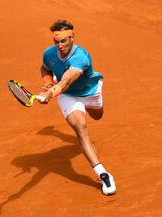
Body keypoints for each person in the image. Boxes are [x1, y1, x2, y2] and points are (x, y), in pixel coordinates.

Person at [37, 19, 116, 195]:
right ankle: (103, 174)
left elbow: (65, 81)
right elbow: (45, 68)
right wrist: (48, 83)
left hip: (90, 92)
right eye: (56, 42)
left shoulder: (81, 57)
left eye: (63, 41)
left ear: (72, 37)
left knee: (97, 115)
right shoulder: (49, 54)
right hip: (68, 96)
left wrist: (49, 94)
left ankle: (86, 107)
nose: (59, 46)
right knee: (80, 127)